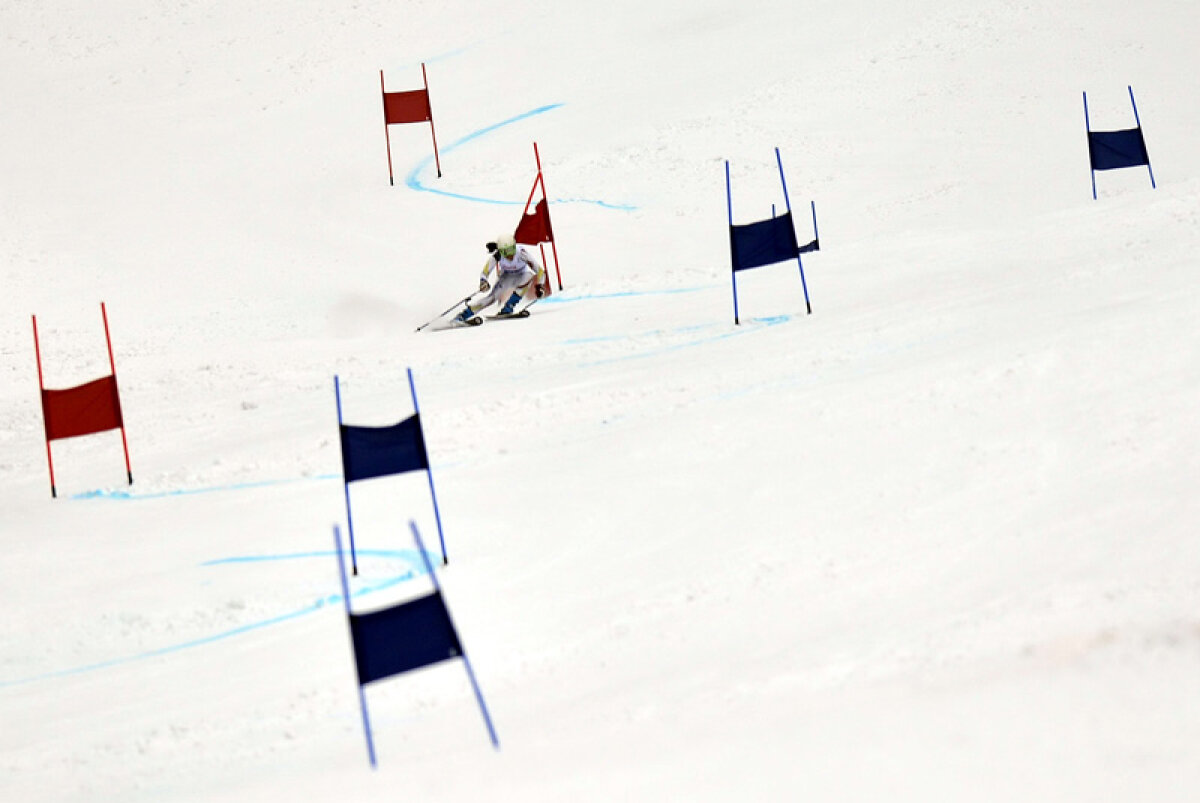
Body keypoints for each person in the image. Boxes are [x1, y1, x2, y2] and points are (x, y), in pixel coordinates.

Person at [454, 234, 546, 323]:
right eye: (506, 252)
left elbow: (540, 271)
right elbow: (485, 272)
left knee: (529, 275)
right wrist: (483, 281)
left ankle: (508, 307)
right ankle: (464, 315)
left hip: (521, 275)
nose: (510, 254)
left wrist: (540, 286)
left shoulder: (522, 253)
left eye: (511, 249)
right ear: (501, 251)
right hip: (506, 276)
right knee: (491, 298)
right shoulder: (497, 256)